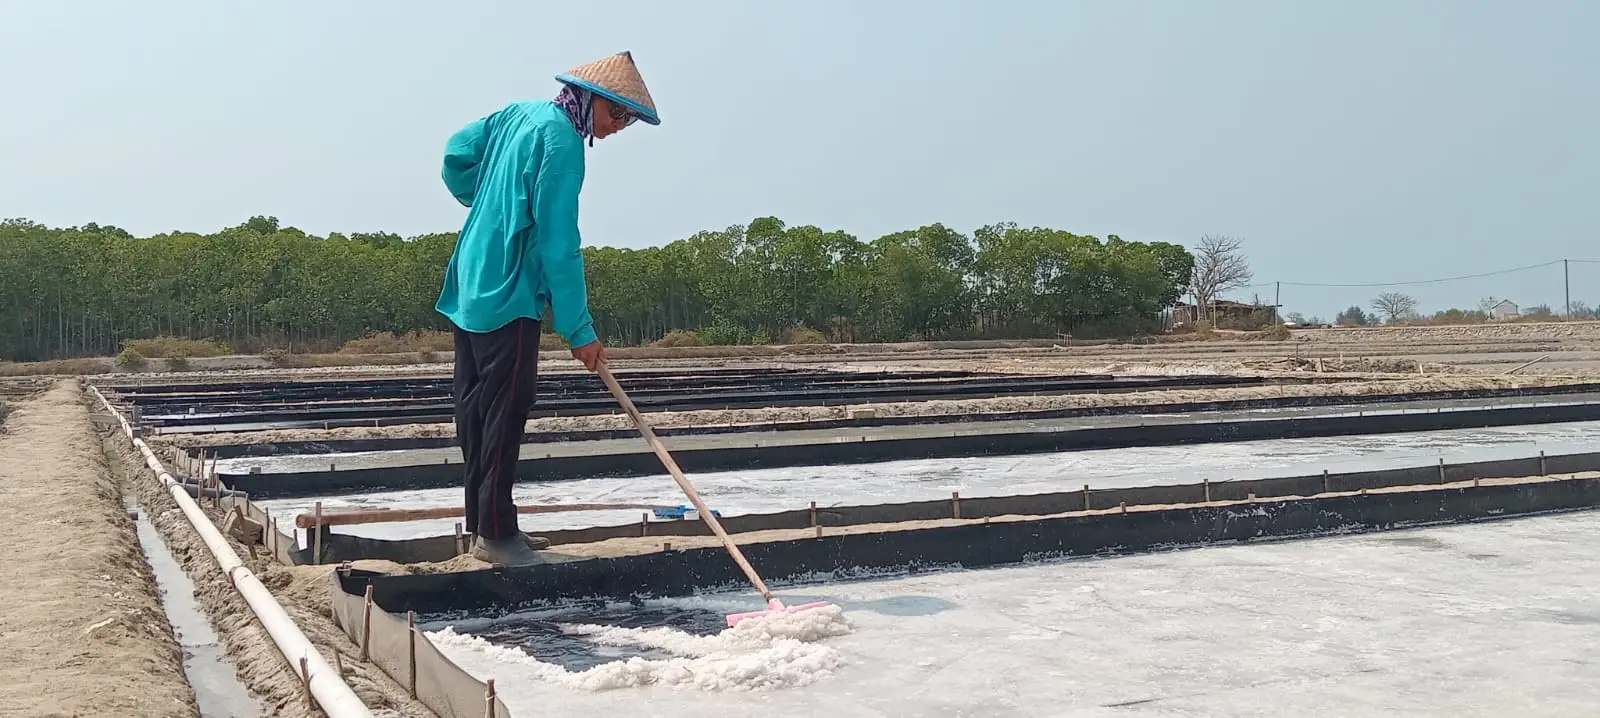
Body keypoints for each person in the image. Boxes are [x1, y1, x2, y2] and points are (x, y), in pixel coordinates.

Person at [434, 51, 661, 566]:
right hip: (509, 290)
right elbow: (560, 245)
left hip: (471, 277)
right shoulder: (562, 144)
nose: (619, 126)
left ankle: (487, 527)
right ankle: (496, 538)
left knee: (476, 410)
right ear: (589, 99)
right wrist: (580, 329)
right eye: (617, 113)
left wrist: (487, 197)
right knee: (504, 410)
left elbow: (455, 153)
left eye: (628, 120)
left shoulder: (521, 114)